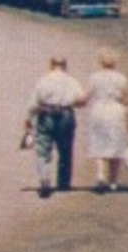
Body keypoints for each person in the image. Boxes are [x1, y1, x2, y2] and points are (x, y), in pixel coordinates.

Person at [24, 56, 84, 198]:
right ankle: (63, 183)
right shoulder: (72, 81)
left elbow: (34, 102)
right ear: (65, 65)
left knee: (43, 150)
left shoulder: (44, 80)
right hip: (66, 114)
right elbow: (80, 100)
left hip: (46, 114)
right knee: (65, 151)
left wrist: (28, 119)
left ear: (51, 65)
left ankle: (45, 179)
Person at [84, 47, 128, 193]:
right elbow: (127, 100)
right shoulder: (121, 78)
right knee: (117, 144)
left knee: (98, 141)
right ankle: (113, 181)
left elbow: (86, 96)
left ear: (100, 61)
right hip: (116, 110)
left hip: (99, 109)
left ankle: (100, 174)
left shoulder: (94, 77)